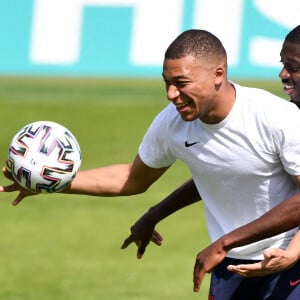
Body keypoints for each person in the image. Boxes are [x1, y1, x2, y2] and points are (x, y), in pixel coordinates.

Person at [2, 29, 300, 299]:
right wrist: (50, 180)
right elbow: (132, 178)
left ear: (218, 74)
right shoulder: (172, 124)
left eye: (181, 84)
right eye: (167, 84)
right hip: (230, 268)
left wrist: (224, 242)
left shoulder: (276, 119)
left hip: (288, 260)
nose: (172, 95)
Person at [120, 24, 300, 293]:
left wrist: (293, 250)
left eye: (293, 65)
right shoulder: (291, 113)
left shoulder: (280, 118)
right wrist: (156, 213)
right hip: (246, 263)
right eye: (282, 63)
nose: (282, 73)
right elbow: (229, 172)